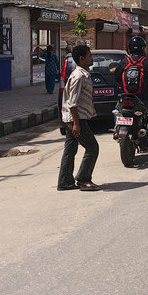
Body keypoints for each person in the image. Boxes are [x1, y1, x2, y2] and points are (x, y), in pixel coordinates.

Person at [58, 45, 100, 191]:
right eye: (89, 55)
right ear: (81, 59)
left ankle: (65, 181)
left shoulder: (82, 74)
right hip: (75, 118)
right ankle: (83, 179)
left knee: (70, 150)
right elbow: (72, 103)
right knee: (92, 147)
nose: (91, 58)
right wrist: (76, 124)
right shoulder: (79, 76)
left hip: (72, 118)